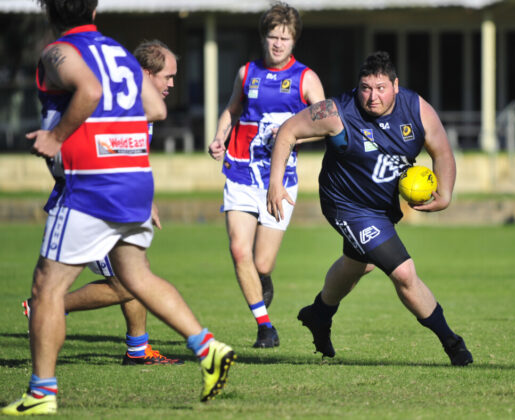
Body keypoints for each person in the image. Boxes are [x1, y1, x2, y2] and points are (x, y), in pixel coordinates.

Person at [2, 1, 234, 415]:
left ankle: (41, 394)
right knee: (135, 276)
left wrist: (57, 136)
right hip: (134, 181)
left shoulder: (59, 53)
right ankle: (209, 348)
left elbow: (89, 91)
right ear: (92, 8)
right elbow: (156, 109)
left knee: (45, 290)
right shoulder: (117, 53)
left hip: (92, 185)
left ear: (49, 10)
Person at [266, 51, 473, 366]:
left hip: (382, 207)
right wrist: (275, 184)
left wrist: (445, 194)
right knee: (403, 272)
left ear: (395, 86)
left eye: (380, 88)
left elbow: (442, 150)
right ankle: (453, 344)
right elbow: (288, 131)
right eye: (365, 88)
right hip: (345, 204)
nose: (372, 96)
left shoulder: (416, 108)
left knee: (358, 264)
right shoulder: (337, 112)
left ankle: (319, 314)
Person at [20, 40, 183, 366]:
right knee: (130, 282)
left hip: (117, 198)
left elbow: (131, 156)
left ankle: (138, 349)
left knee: (137, 271)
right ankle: (49, 305)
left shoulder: (141, 107)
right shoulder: (118, 104)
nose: (172, 83)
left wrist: (144, 198)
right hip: (94, 201)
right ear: (147, 74)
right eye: (167, 76)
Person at [208, 1, 324, 348]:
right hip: (241, 173)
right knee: (239, 250)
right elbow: (231, 109)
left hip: (280, 182)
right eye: (272, 36)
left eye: (284, 39)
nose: (277, 44)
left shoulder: (305, 78)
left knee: (261, 262)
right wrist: (218, 137)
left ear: (294, 42)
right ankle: (265, 327)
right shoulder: (247, 73)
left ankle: (263, 279)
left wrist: (293, 134)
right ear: (263, 38)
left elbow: (328, 124)